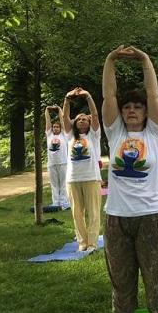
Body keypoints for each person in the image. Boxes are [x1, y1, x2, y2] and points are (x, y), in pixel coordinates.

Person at [101, 45, 158, 313]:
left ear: (145, 113)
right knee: (121, 279)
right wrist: (110, 60)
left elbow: (154, 95)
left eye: (137, 107)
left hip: (152, 216)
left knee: (156, 277)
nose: (132, 110)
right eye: (127, 106)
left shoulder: (155, 133)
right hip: (117, 217)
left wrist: (145, 59)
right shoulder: (115, 133)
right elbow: (108, 96)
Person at [63, 86, 102, 252]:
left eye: (84, 119)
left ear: (89, 122)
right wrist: (67, 98)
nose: (81, 121)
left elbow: (95, 114)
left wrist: (87, 96)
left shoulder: (94, 135)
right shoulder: (69, 136)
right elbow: (64, 117)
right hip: (72, 179)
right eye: (78, 119)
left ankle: (92, 243)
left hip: (91, 178)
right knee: (77, 213)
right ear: (74, 123)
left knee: (93, 212)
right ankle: (82, 242)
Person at [44, 105, 70, 209]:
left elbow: (62, 121)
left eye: (57, 127)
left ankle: (64, 203)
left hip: (63, 163)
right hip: (51, 164)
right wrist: (47, 110)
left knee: (63, 184)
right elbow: (47, 121)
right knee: (54, 184)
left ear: (60, 128)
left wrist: (59, 109)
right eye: (54, 127)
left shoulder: (64, 135)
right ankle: (55, 203)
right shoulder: (49, 135)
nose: (55, 128)